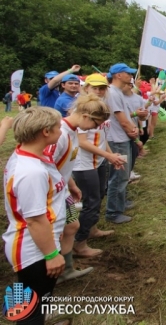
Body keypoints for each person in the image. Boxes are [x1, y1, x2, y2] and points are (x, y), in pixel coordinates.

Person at [3, 107, 67, 325]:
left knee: (27, 301)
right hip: (33, 250)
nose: (62, 129)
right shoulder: (31, 172)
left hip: (32, 246)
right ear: (46, 132)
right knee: (32, 308)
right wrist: (51, 255)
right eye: (59, 127)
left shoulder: (26, 154)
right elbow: (34, 219)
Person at [45, 94, 110, 282]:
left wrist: (71, 184)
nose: (96, 128)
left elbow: (62, 164)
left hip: (62, 189)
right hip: (50, 193)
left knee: (72, 225)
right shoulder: (60, 134)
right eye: (96, 123)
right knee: (55, 230)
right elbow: (47, 165)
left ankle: (67, 268)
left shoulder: (72, 131)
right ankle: (48, 271)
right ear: (86, 116)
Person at [73, 74, 127, 257]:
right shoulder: (83, 110)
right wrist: (107, 156)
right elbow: (82, 142)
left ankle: (92, 229)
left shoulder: (102, 109)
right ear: (86, 87)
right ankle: (79, 243)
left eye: (102, 88)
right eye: (95, 88)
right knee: (91, 201)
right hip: (83, 164)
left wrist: (110, 155)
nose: (99, 91)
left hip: (98, 161)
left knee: (99, 195)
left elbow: (101, 137)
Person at [105, 63, 139, 224]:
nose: (131, 76)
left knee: (123, 175)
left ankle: (121, 202)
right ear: (118, 75)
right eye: (128, 73)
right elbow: (121, 118)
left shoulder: (117, 92)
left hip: (122, 138)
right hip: (117, 139)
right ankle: (113, 212)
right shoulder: (112, 93)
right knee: (119, 177)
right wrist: (131, 130)